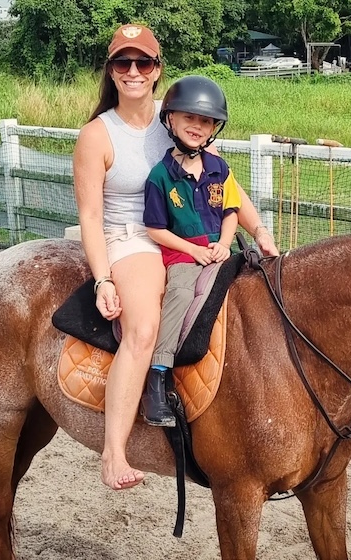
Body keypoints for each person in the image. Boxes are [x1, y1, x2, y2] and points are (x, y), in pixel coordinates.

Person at [72, 23, 278, 491]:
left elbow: (226, 187)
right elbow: (89, 216)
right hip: (132, 238)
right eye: (123, 63)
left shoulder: (181, 122)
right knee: (144, 327)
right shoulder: (97, 136)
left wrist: (259, 229)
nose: (133, 72)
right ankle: (115, 452)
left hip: (195, 236)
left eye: (143, 62)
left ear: (157, 70)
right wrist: (104, 278)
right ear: (111, 71)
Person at [141, 76, 239, 427]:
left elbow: (231, 212)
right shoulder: (160, 177)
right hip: (183, 254)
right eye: (189, 118)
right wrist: (192, 251)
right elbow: (155, 228)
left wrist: (225, 244)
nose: (197, 127)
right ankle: (158, 373)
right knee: (180, 294)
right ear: (170, 120)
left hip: (219, 249)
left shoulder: (220, 169)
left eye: (206, 121)